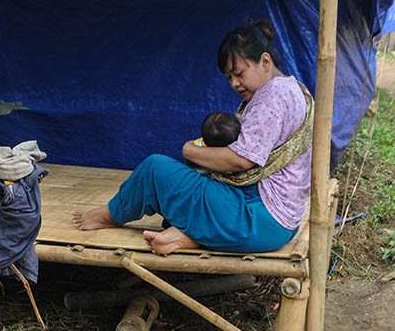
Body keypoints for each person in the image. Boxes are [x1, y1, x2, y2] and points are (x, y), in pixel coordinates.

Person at [72, 20, 312, 255]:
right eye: (229, 77)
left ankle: (108, 216)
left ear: (265, 62)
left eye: (239, 73)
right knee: (189, 182)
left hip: (257, 219)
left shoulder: (271, 98)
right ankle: (188, 236)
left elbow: (241, 160)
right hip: (280, 221)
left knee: (155, 170)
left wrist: (190, 151)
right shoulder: (291, 88)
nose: (235, 84)